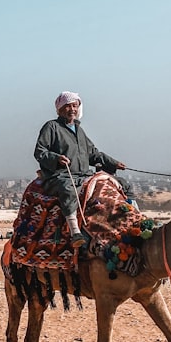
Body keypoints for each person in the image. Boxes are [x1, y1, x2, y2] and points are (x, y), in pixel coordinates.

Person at [34, 91, 126, 249]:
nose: (72, 109)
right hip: (61, 176)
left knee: (121, 184)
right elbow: (40, 151)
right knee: (69, 190)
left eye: (75, 106)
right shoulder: (52, 127)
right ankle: (75, 231)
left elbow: (93, 154)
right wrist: (56, 159)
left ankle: (133, 220)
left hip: (84, 175)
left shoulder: (79, 131)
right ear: (60, 109)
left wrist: (113, 163)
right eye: (67, 106)